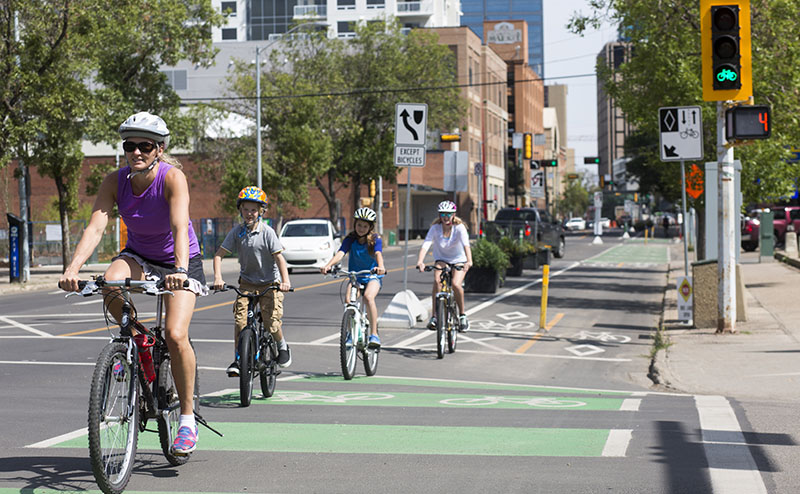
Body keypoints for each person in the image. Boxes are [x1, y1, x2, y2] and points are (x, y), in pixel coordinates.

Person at [60, 111, 206, 456]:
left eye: (145, 145)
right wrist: (73, 267)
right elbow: (95, 228)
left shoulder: (173, 178)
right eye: (130, 145)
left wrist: (181, 270)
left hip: (178, 262)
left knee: (175, 334)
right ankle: (138, 339)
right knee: (111, 280)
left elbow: (178, 226)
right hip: (138, 255)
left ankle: (187, 420)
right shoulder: (115, 180)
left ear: (159, 149)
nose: (137, 152)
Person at [212, 186, 293, 375]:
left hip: (270, 283)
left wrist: (285, 281)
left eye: (254, 210)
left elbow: (280, 258)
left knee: (271, 321)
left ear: (261, 211)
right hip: (247, 284)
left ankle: (282, 346)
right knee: (240, 322)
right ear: (240, 209)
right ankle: (238, 360)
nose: (249, 213)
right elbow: (218, 256)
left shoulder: (267, 232)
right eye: (246, 209)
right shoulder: (237, 232)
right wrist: (218, 277)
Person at [320, 207, 386, 349]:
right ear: (355, 224)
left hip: (372, 275)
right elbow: (340, 253)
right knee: (349, 301)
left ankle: (374, 334)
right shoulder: (350, 239)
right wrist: (328, 265)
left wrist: (380, 266)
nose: (361, 228)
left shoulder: (375, 239)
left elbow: (378, 253)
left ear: (370, 227)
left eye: (365, 226)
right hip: (355, 276)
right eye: (359, 225)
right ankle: (350, 333)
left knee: (368, 297)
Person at [415, 200, 473, 332]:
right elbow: (426, 245)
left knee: (456, 284)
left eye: (448, 214)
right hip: (442, 259)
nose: (446, 217)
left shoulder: (459, 228)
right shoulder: (435, 228)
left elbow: (466, 245)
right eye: (443, 214)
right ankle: (435, 316)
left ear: (453, 215)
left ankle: (462, 315)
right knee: (437, 281)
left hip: (459, 259)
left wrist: (469, 261)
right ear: (439, 215)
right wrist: (420, 261)